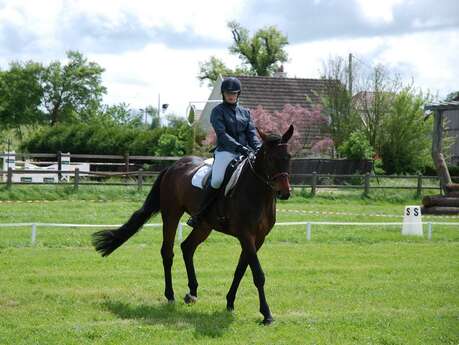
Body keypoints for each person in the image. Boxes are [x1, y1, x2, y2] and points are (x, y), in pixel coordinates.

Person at [187, 77, 261, 228]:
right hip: (226, 151)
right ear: (223, 94)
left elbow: (251, 133)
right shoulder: (217, 111)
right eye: (228, 93)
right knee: (217, 180)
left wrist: (258, 148)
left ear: (238, 94)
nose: (231, 96)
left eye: (234, 93)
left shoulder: (245, 112)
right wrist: (239, 147)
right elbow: (222, 135)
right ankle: (200, 213)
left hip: (246, 152)